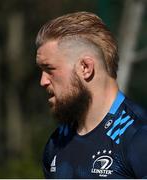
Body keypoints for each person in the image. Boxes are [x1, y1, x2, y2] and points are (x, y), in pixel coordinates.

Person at [35, 11, 147, 179]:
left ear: (85, 68)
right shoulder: (56, 143)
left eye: (49, 69)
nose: (43, 81)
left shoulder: (139, 136)